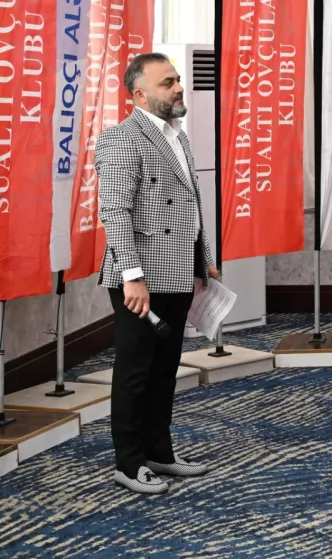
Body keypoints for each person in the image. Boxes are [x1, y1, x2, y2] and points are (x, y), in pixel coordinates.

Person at [96, 53, 219, 495]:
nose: (179, 87)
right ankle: (128, 464)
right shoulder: (121, 139)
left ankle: (159, 453)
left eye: (178, 79)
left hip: (179, 270)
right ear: (140, 94)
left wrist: (202, 259)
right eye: (168, 82)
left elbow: (190, 205)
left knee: (165, 369)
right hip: (140, 278)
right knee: (135, 371)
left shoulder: (177, 135)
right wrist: (132, 276)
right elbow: (115, 211)